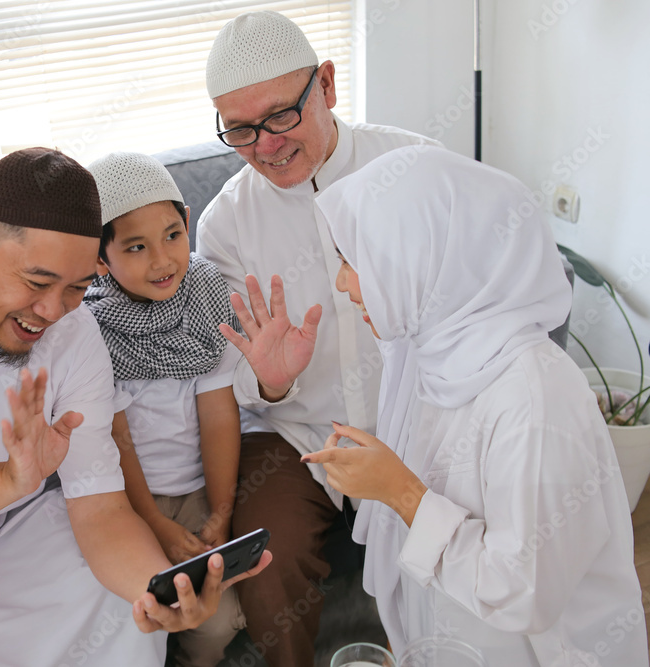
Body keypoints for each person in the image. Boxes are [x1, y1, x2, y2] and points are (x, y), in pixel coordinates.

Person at [0, 148, 270, 666]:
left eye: (77, 288)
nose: (52, 312)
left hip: (32, 529)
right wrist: (9, 479)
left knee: (128, 617)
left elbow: (100, 507)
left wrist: (156, 595)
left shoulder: (79, 334)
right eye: (37, 283)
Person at [239, 146, 648, 665]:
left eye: (352, 262)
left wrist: (399, 491)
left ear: (420, 259)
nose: (342, 284)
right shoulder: (428, 355)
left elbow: (524, 592)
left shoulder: (535, 399)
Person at [195, 10, 442, 665]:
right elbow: (234, 379)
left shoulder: (416, 167)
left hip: (421, 420)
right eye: (240, 129)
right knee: (267, 550)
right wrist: (276, 377)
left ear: (327, 85)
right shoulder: (224, 225)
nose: (266, 145)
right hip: (301, 436)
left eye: (280, 115)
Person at [83, 151, 246, 667]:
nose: (162, 260)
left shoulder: (205, 294)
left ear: (188, 224)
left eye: (173, 235)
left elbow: (219, 415)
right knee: (139, 618)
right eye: (136, 247)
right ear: (100, 259)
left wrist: (220, 513)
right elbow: (115, 438)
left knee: (216, 620)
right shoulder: (91, 328)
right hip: (127, 503)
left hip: (201, 490)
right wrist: (151, 519)